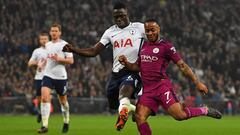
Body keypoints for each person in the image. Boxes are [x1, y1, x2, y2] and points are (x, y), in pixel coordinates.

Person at [118, 19, 222, 135]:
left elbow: (183, 66)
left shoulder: (166, 47)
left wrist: (197, 82)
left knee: (179, 115)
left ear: (158, 29)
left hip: (162, 87)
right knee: (139, 117)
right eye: (147, 31)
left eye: (152, 30)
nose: (150, 33)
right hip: (147, 90)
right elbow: (137, 67)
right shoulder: (144, 46)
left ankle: (204, 110)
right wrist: (126, 62)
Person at [62, 2, 145, 131]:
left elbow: (155, 39)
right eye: (116, 17)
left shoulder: (139, 28)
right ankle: (134, 110)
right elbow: (93, 51)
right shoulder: (110, 32)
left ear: (127, 14)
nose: (119, 19)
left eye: (121, 15)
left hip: (132, 70)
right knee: (113, 104)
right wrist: (74, 49)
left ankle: (123, 115)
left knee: (124, 93)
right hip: (115, 74)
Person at [38, 23, 74, 133]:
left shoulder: (65, 45)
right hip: (48, 75)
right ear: (50, 32)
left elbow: (71, 61)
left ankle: (66, 121)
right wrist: (41, 64)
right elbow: (47, 58)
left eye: (56, 31)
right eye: (52, 31)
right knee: (44, 98)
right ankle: (45, 125)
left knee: (63, 102)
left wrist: (59, 59)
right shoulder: (47, 45)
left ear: (60, 32)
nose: (54, 33)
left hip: (61, 77)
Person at [28, 33, 49, 123]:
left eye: (45, 39)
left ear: (48, 40)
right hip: (39, 77)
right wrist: (37, 63)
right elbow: (29, 63)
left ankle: (45, 119)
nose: (44, 40)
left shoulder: (52, 50)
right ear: (39, 41)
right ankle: (41, 112)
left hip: (49, 77)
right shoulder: (37, 51)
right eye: (42, 39)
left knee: (46, 97)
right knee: (40, 99)